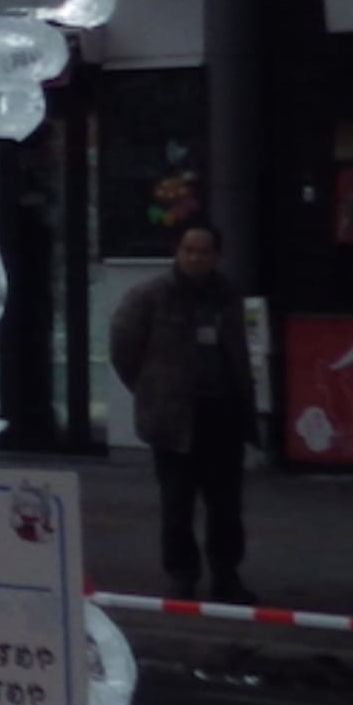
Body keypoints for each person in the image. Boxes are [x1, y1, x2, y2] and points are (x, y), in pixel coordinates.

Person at [109, 225, 257, 604]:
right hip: (174, 421)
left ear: (216, 256)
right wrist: (152, 393)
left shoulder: (226, 297)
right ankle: (181, 575)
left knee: (225, 506)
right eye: (188, 250)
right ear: (177, 252)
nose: (195, 258)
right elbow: (124, 350)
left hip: (222, 417)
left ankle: (226, 575)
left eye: (203, 251)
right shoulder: (150, 296)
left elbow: (239, 355)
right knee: (177, 505)